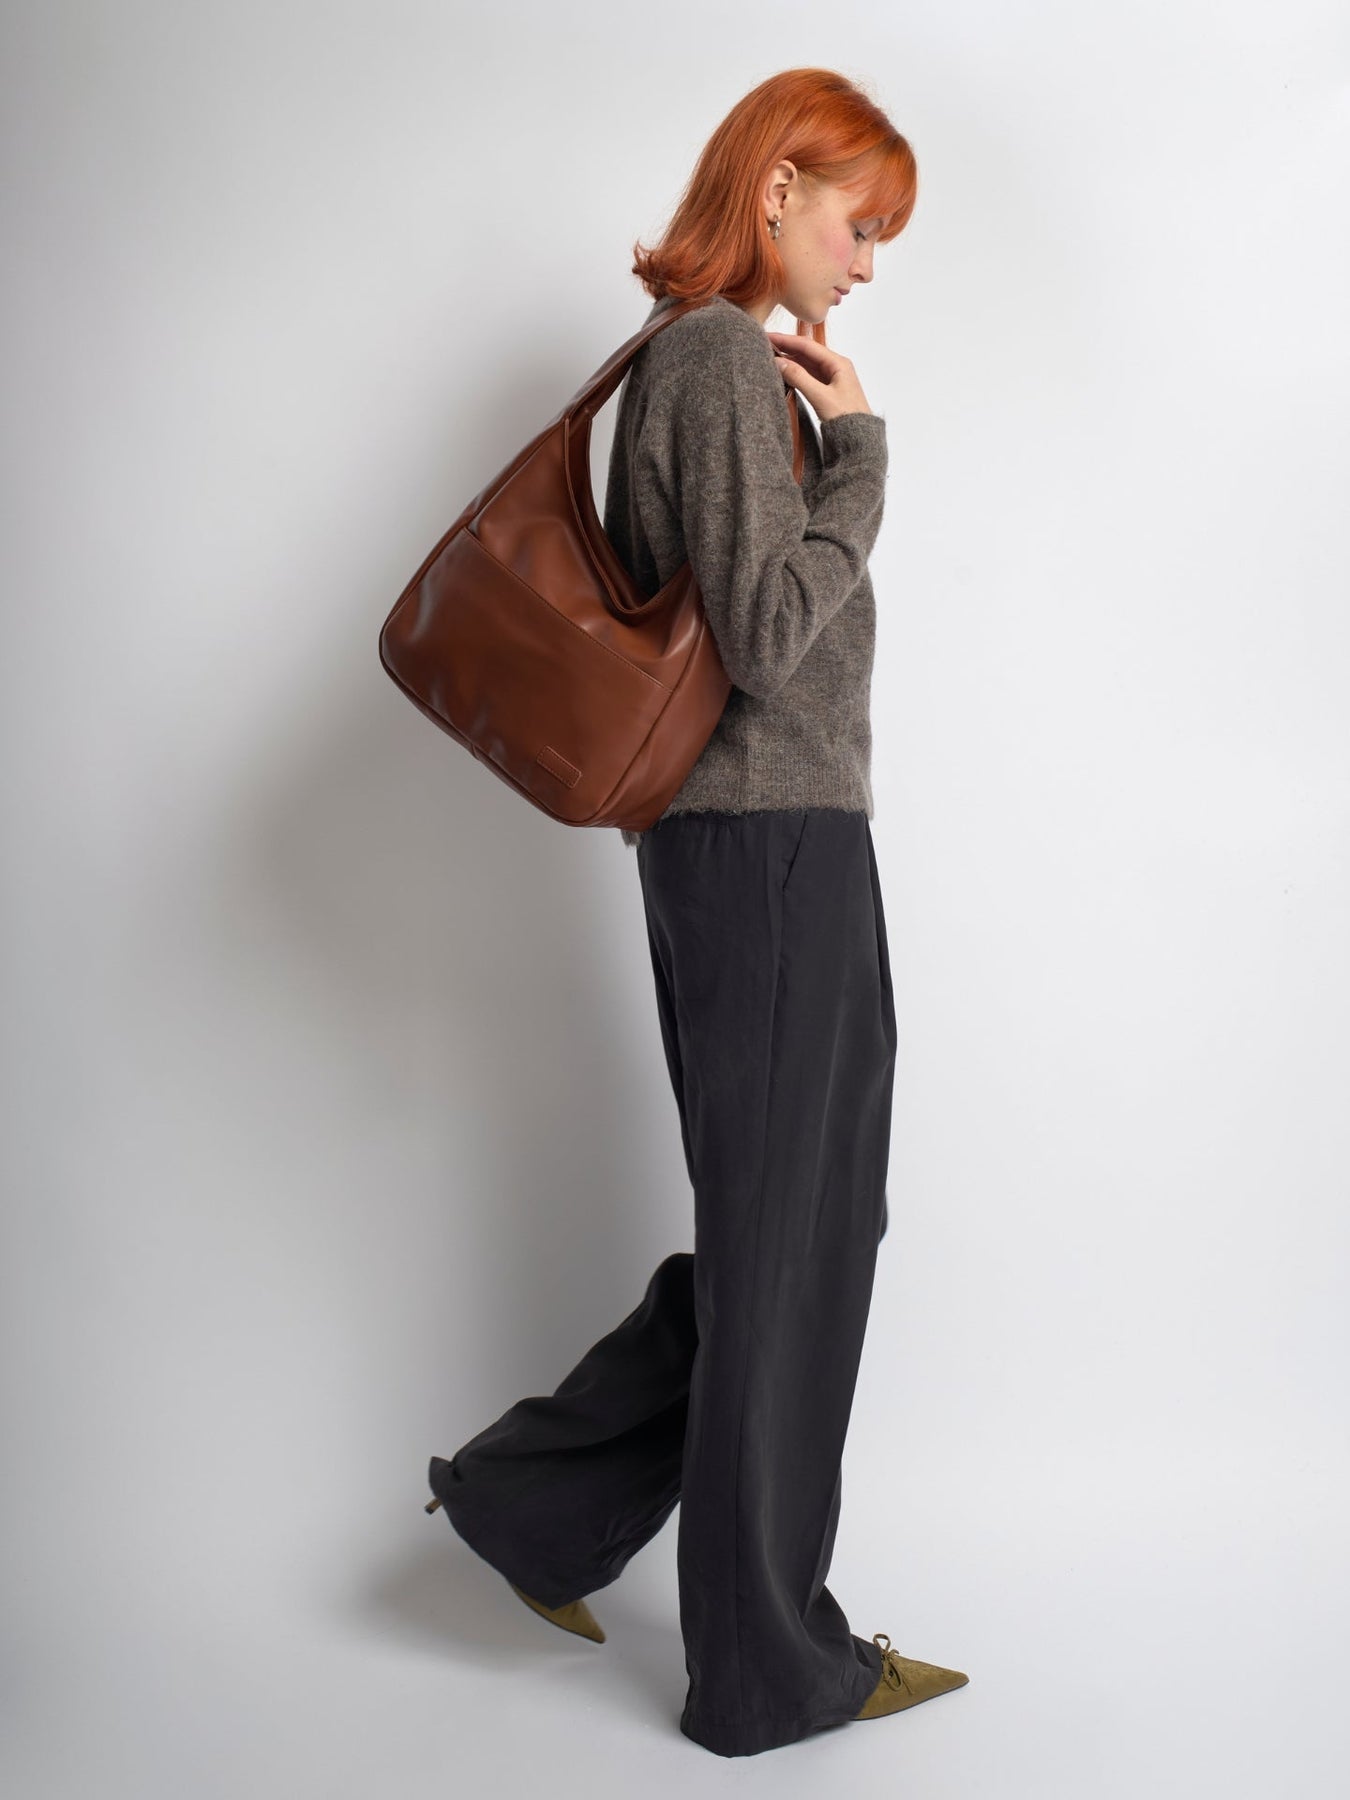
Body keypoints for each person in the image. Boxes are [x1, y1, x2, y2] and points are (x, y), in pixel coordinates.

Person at [423, 66, 969, 1759]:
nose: (866, 265)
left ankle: (533, 1505)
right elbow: (771, 631)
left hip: (755, 850)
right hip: (769, 850)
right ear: (779, 186)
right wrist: (861, 456)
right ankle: (761, 1668)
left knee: (789, 1233)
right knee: (794, 1242)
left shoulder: (700, 361)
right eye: (859, 225)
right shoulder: (721, 360)